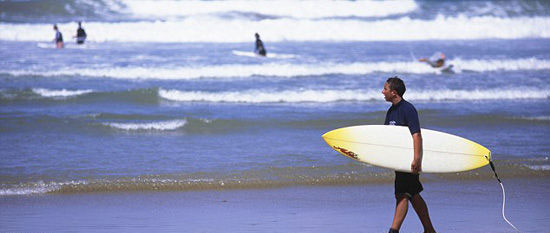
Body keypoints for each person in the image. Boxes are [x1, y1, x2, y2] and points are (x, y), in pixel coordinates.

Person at [382, 76, 436, 233]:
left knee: (402, 194)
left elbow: (416, 135)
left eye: (385, 89)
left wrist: (417, 159)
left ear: (394, 92)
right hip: (400, 160)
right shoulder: (391, 111)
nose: (382, 91)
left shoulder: (408, 109)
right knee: (413, 194)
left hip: (409, 160)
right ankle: (429, 230)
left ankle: (393, 230)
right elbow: (387, 136)